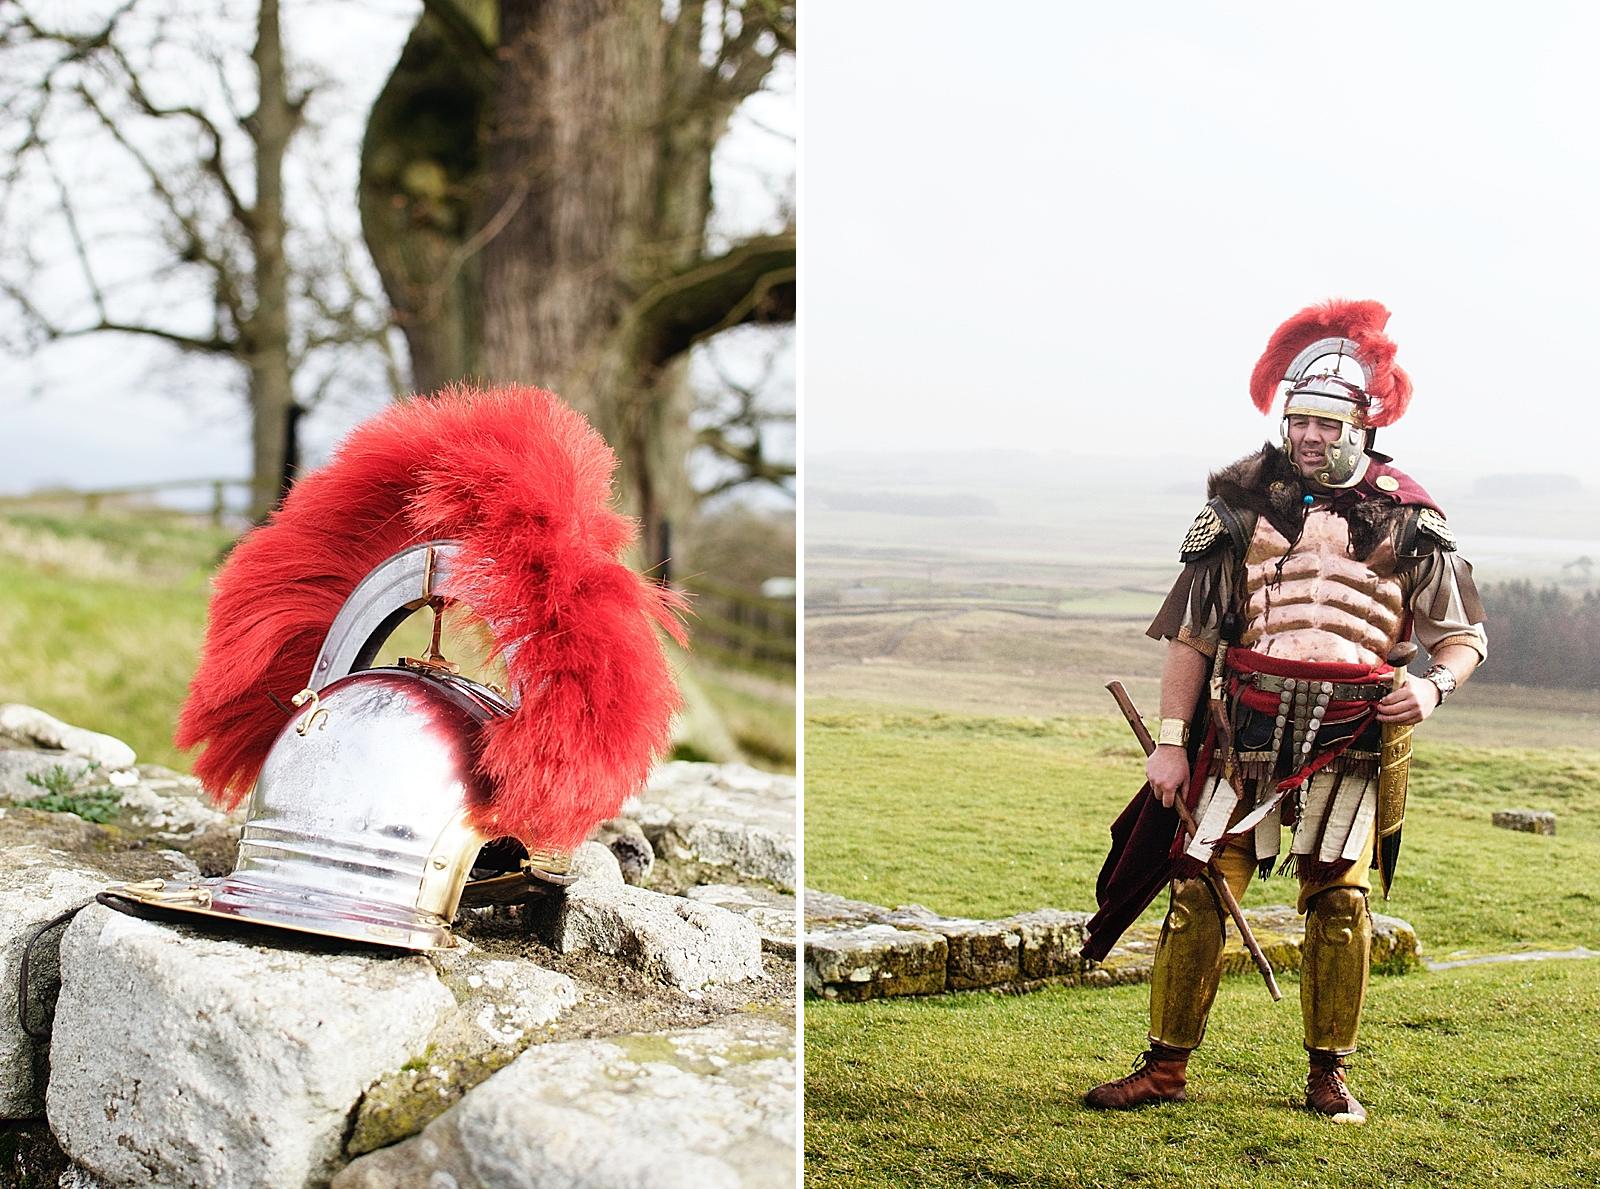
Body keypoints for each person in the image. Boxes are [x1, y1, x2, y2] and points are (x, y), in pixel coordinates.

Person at [1081, 299, 1487, 1124]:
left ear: (1363, 425)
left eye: (1325, 423)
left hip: (1354, 737)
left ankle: (1328, 1074)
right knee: (1198, 888)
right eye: (1298, 419)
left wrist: (1432, 687)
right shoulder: (1240, 509)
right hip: (1245, 733)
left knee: (1340, 905)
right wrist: (1170, 743)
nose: (1307, 435)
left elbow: (1464, 637)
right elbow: (1192, 637)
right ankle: (1164, 1067)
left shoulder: (1411, 520)